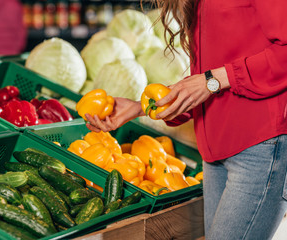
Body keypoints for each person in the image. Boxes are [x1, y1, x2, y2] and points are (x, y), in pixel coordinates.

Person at [85, 0, 287, 239]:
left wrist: (214, 80)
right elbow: (208, 76)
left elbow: (215, 78)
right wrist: (142, 107)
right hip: (214, 152)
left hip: (261, 147)